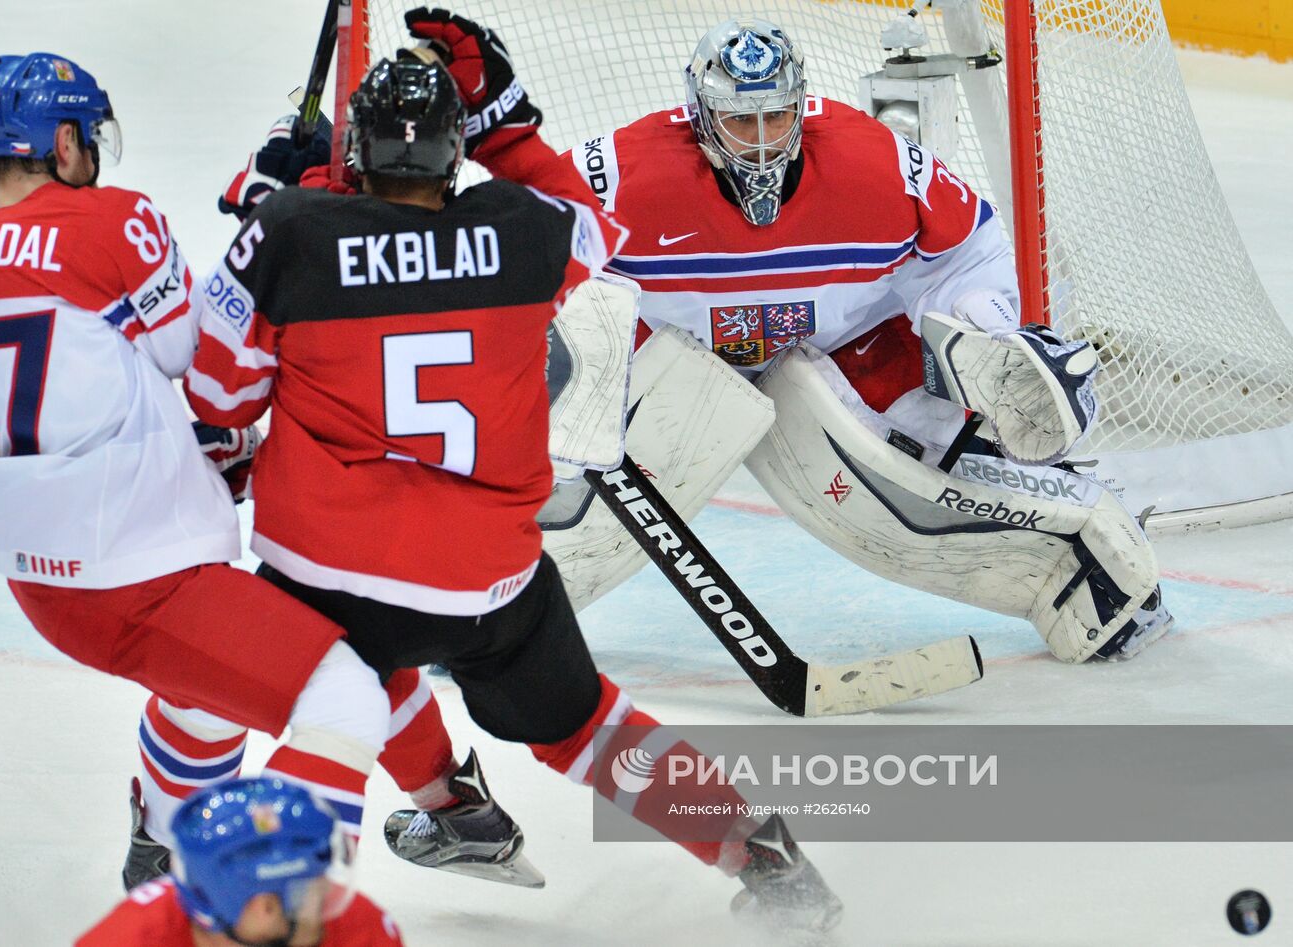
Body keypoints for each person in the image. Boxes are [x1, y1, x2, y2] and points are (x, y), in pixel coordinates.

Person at [186, 9, 841, 934]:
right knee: (588, 727)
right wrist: (510, 120)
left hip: (331, 576)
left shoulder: (294, 232)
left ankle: (374, 847)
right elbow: (596, 225)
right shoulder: (521, 232)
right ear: (456, 157)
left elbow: (219, 395)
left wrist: (269, 207)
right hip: (492, 579)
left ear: (355, 155)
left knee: (304, 686)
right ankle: (763, 854)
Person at [553, 18, 1173, 665]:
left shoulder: (870, 162)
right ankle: (480, 607)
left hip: (839, 346)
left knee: (899, 505)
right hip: (670, 360)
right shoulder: (619, 177)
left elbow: (969, 248)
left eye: (778, 116)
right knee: (584, 517)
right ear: (701, 117)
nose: (763, 141)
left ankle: (1087, 570)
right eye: (742, 120)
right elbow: (520, 258)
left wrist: (986, 335)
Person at [0, 52, 392, 891]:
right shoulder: (110, 220)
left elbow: (89, 364)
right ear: (63, 143)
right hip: (135, 570)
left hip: (39, 580)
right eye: (88, 137)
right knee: (347, 697)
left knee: (205, 693)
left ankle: (165, 845)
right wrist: (273, 223)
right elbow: (199, 362)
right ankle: (255, 902)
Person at [77, 777, 404, 946]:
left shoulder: (359, 929)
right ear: (262, 907)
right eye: (308, 890)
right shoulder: (129, 940)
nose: (327, 901)